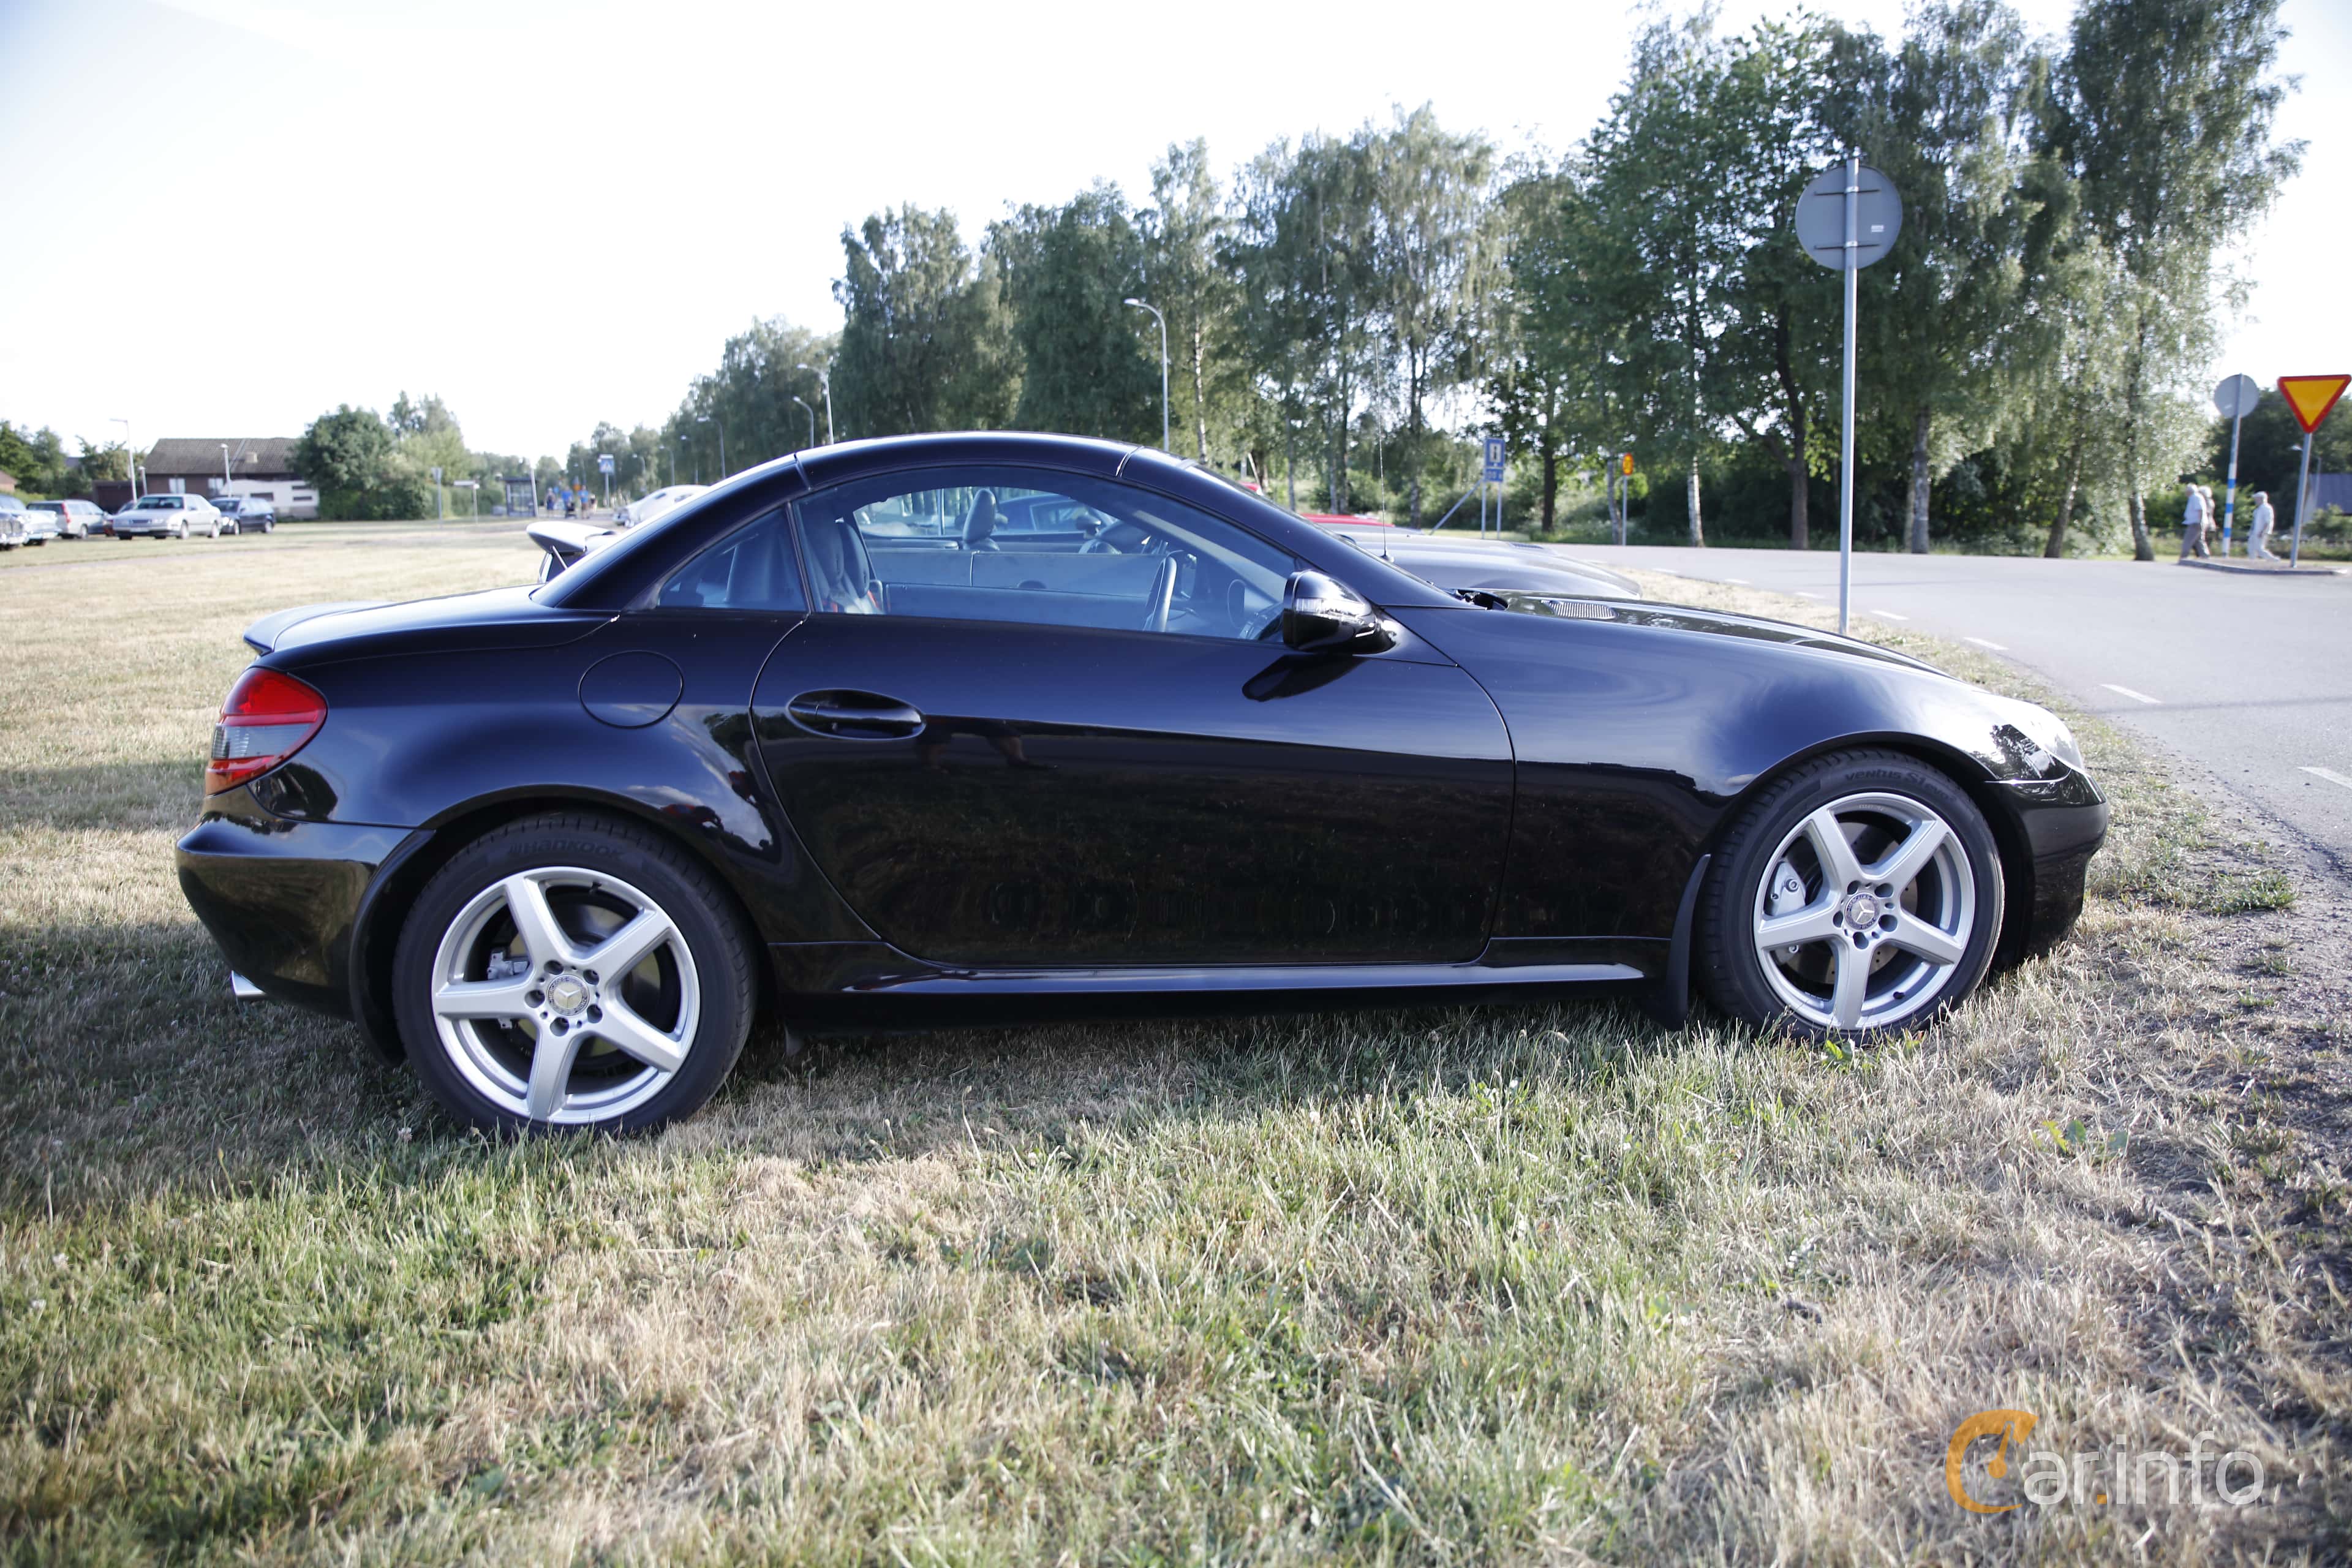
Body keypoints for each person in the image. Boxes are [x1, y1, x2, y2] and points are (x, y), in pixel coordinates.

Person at [2177, 481, 2209, 559]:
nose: (2185, 493)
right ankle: (2205, 556)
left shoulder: (2195, 497)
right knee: (2199, 541)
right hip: (2197, 522)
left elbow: (2200, 510)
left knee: (2188, 541)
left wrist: (2200, 522)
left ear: (2190, 491)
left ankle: (2183, 557)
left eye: (2186, 491)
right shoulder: (2195, 497)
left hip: (2196, 523)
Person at [2248, 491, 2276, 560]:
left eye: (2257, 499)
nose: (2255, 500)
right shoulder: (2258, 509)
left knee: (2260, 549)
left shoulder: (2267, 508)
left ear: (2261, 499)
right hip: (2255, 531)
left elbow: (2268, 521)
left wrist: (2263, 532)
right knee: (2251, 547)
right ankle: (2252, 560)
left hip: (2261, 532)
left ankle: (2273, 559)